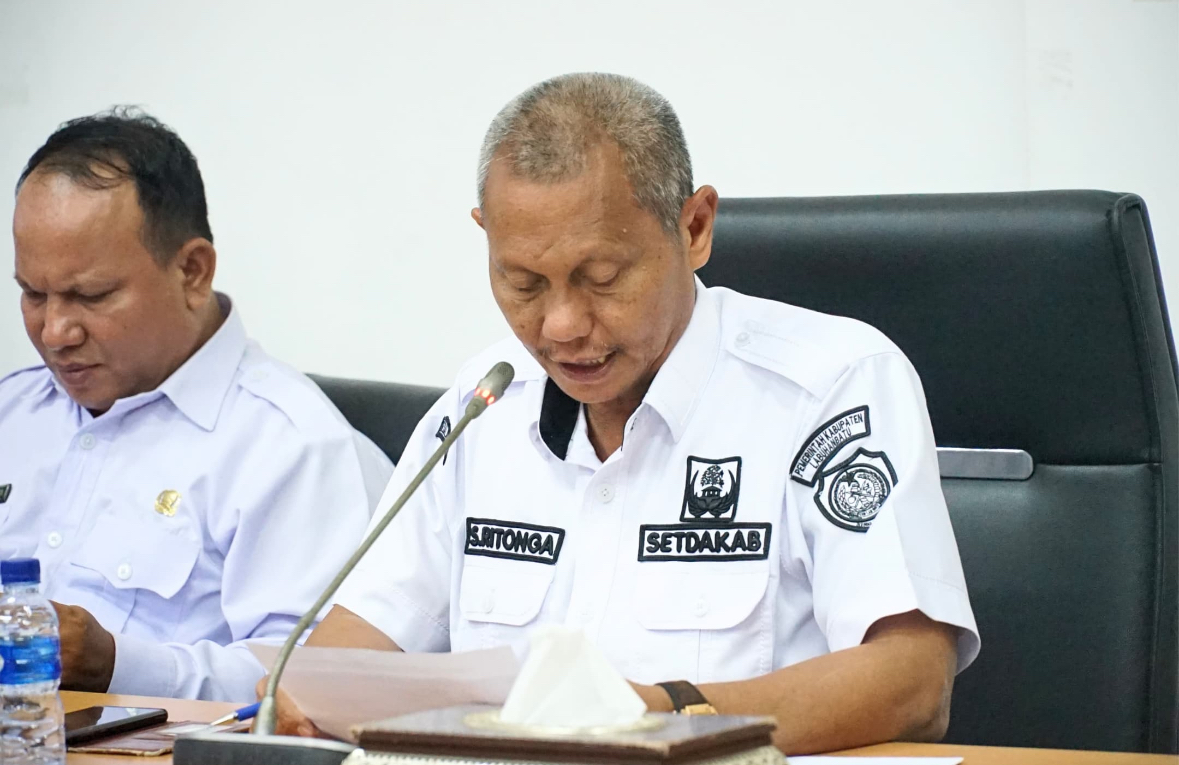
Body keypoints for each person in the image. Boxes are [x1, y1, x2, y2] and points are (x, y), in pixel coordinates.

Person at [272, 73, 980, 753]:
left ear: (694, 227)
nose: (560, 326)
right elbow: (355, 645)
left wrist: (663, 716)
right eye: (523, 283)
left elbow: (912, 681)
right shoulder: (484, 403)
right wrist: (303, 694)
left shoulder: (828, 386)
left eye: (602, 279)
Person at [0, 109, 393, 702]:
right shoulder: (13, 412)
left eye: (90, 295)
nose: (55, 331)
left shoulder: (293, 447)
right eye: (33, 294)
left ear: (192, 271)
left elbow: (309, 685)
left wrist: (116, 664)